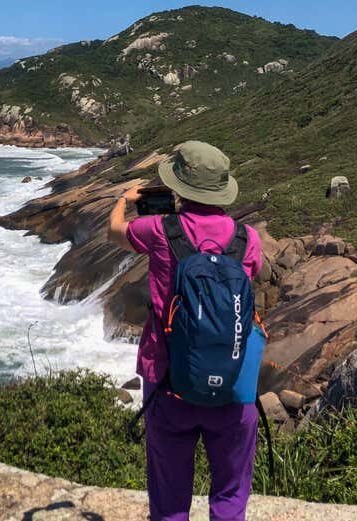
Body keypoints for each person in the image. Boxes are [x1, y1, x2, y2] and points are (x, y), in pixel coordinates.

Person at [107, 141, 263, 521]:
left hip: (167, 381)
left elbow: (114, 232)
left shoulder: (159, 230)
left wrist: (125, 200)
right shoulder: (247, 239)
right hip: (231, 384)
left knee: (170, 497)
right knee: (230, 493)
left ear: (180, 186)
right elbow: (250, 276)